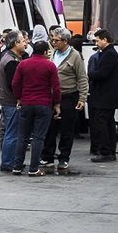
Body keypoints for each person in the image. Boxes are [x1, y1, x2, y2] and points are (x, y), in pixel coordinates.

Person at [38, 27, 88, 176]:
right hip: (51, 96)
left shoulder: (75, 56)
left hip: (69, 95)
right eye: (52, 39)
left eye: (56, 40)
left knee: (67, 129)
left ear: (66, 41)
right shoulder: (52, 53)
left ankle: (64, 157)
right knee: (49, 127)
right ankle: (48, 156)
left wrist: (82, 97)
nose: (53, 43)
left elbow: (82, 77)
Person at [11, 41, 61, 176]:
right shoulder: (50, 66)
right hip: (44, 104)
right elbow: (56, 87)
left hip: (26, 103)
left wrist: (19, 98)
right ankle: (34, 168)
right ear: (45, 52)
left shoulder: (23, 64)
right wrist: (57, 104)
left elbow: (15, 83)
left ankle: (17, 166)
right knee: (38, 137)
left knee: (22, 136)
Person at [87, 29, 118, 163]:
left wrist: (91, 74)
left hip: (105, 96)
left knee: (102, 123)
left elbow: (102, 74)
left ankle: (105, 151)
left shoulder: (109, 55)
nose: (96, 43)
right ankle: (110, 151)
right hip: (107, 96)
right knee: (108, 123)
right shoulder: (109, 53)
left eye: (97, 40)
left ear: (104, 40)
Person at [0, 30, 26, 172]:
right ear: (15, 43)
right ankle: (8, 162)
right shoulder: (10, 61)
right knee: (12, 132)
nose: (25, 43)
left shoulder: (10, 57)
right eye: (23, 41)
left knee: (11, 131)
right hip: (12, 101)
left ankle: (10, 160)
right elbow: (13, 84)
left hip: (8, 100)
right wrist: (19, 97)